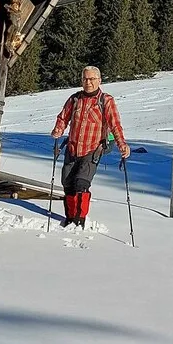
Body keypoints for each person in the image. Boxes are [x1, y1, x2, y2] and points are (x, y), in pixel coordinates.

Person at [50, 66, 130, 228]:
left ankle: (79, 221)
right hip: (72, 148)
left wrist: (122, 144)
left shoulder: (106, 101)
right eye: (85, 79)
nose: (88, 82)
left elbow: (115, 125)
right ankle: (70, 218)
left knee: (81, 183)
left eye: (92, 79)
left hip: (92, 150)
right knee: (68, 183)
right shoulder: (74, 99)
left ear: (99, 81)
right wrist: (58, 129)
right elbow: (63, 117)